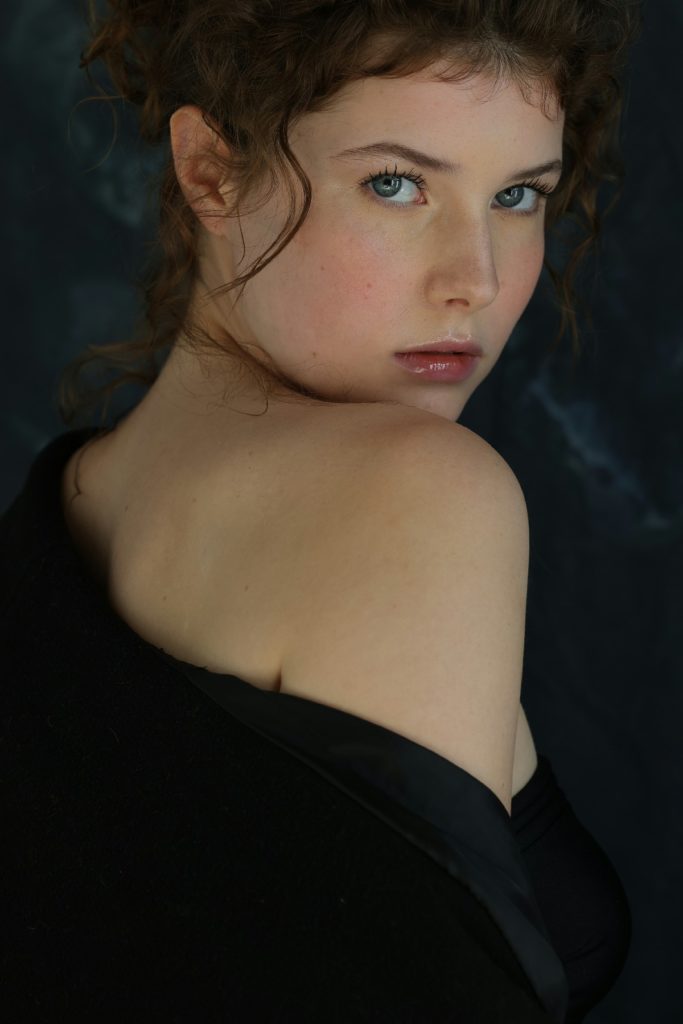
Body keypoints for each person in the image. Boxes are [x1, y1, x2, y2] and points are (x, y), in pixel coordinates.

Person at [1, 1, 641, 1020]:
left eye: (517, 196)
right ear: (211, 171)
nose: (474, 280)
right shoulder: (421, 491)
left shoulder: (76, 494)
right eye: (395, 183)